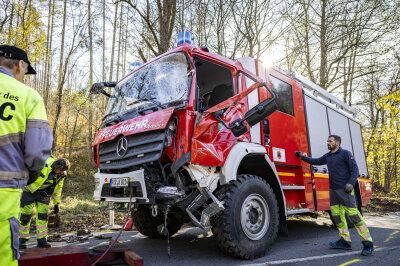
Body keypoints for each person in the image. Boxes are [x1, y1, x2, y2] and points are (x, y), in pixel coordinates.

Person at [0, 45, 52, 265]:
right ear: (20, 65)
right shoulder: (27, 96)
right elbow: (36, 151)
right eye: (25, 71)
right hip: (5, 184)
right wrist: (32, 173)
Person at [295, 135, 374, 256]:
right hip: (333, 191)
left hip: (345, 190)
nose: (328, 143)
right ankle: (345, 242)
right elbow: (315, 161)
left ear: (337, 142)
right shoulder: (328, 156)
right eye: (327, 141)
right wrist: (302, 157)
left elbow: (355, 170)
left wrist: (350, 184)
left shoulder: (346, 154)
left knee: (354, 217)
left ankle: (368, 244)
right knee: (337, 217)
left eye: (330, 141)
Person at [19, 156, 70, 249]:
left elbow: (59, 188)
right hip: (28, 191)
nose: (61, 173)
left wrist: (56, 203)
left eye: (63, 171)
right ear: (56, 167)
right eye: (60, 170)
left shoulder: (62, 173)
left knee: (43, 216)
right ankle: (22, 240)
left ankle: (42, 240)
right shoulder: (42, 165)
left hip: (44, 193)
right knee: (25, 216)